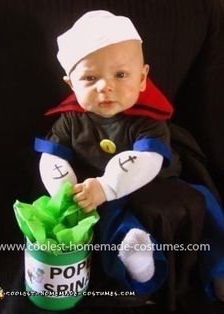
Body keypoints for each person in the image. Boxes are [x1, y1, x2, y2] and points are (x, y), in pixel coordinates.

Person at [35, 10, 224, 304]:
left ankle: (218, 268)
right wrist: (66, 190)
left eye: (120, 75)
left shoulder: (148, 120)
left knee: (206, 204)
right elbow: (51, 158)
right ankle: (141, 271)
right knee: (112, 223)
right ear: (71, 84)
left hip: (158, 183)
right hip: (100, 193)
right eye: (90, 77)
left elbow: (147, 159)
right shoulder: (71, 120)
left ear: (142, 78)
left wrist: (107, 185)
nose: (105, 86)